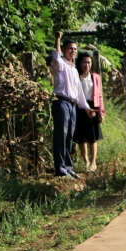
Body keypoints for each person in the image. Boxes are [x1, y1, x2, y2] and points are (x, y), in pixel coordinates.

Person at [51, 32, 96, 179]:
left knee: (70, 136)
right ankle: (60, 169)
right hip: (61, 102)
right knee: (61, 135)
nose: (73, 51)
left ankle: (67, 167)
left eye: (75, 49)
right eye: (70, 48)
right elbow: (56, 56)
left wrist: (86, 107)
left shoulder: (74, 70)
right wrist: (58, 38)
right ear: (64, 50)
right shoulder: (61, 65)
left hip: (72, 105)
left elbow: (79, 92)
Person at [73, 52, 104, 172]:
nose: (87, 65)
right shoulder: (75, 76)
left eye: (89, 62)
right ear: (80, 63)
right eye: (84, 62)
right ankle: (85, 161)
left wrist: (101, 112)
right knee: (81, 136)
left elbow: (100, 95)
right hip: (79, 107)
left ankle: (93, 162)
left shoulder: (95, 77)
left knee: (92, 136)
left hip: (93, 107)